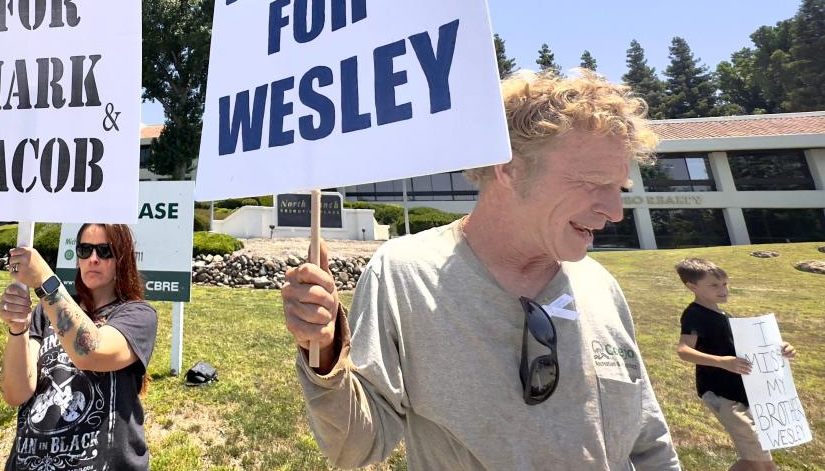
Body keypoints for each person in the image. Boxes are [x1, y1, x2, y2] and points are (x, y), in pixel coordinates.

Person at [282, 69, 681, 470]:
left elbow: (650, 446)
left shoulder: (601, 286)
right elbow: (356, 446)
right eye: (594, 182)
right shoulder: (405, 274)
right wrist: (326, 351)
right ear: (509, 167)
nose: (615, 212)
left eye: (620, 188)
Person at [0, 223, 158, 471]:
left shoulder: (137, 314)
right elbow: (16, 394)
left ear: (122, 259)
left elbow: (92, 351)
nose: (93, 259)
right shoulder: (45, 312)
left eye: (105, 251)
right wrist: (18, 328)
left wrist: (44, 280)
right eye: (85, 250)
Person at [675, 258, 797, 471]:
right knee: (762, 461)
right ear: (692, 286)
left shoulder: (725, 315)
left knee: (754, 461)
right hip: (722, 395)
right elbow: (684, 350)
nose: (723, 290)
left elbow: (747, 349)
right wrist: (722, 362)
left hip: (743, 393)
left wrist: (780, 349)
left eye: (724, 284)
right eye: (713, 285)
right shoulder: (694, 314)